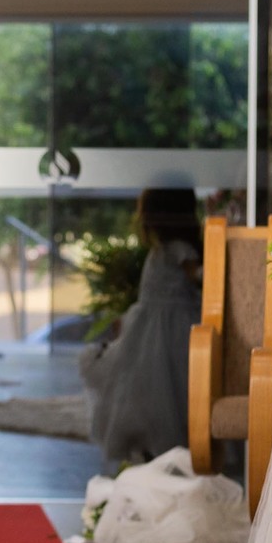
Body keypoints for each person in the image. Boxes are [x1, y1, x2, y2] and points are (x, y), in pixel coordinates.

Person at [79, 188, 203, 466]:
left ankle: (166, 448)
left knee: (167, 388)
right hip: (153, 325)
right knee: (149, 389)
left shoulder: (176, 250)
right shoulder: (161, 251)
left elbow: (196, 275)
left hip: (172, 326)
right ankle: (151, 448)